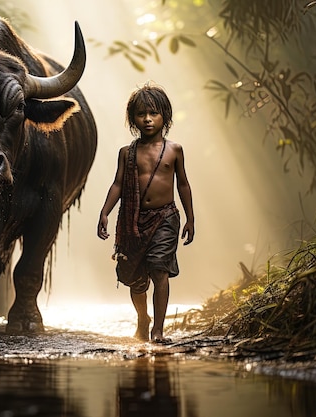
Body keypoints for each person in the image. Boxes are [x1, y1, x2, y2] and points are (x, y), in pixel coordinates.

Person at [97, 82, 194, 343]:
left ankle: (158, 330)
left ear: (165, 116)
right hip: (134, 221)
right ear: (133, 119)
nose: (148, 119)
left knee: (159, 270)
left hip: (166, 217)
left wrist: (190, 219)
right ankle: (143, 317)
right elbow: (118, 184)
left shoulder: (174, 150)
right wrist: (105, 212)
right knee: (136, 279)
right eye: (141, 114)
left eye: (153, 113)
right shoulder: (126, 153)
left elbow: (183, 184)